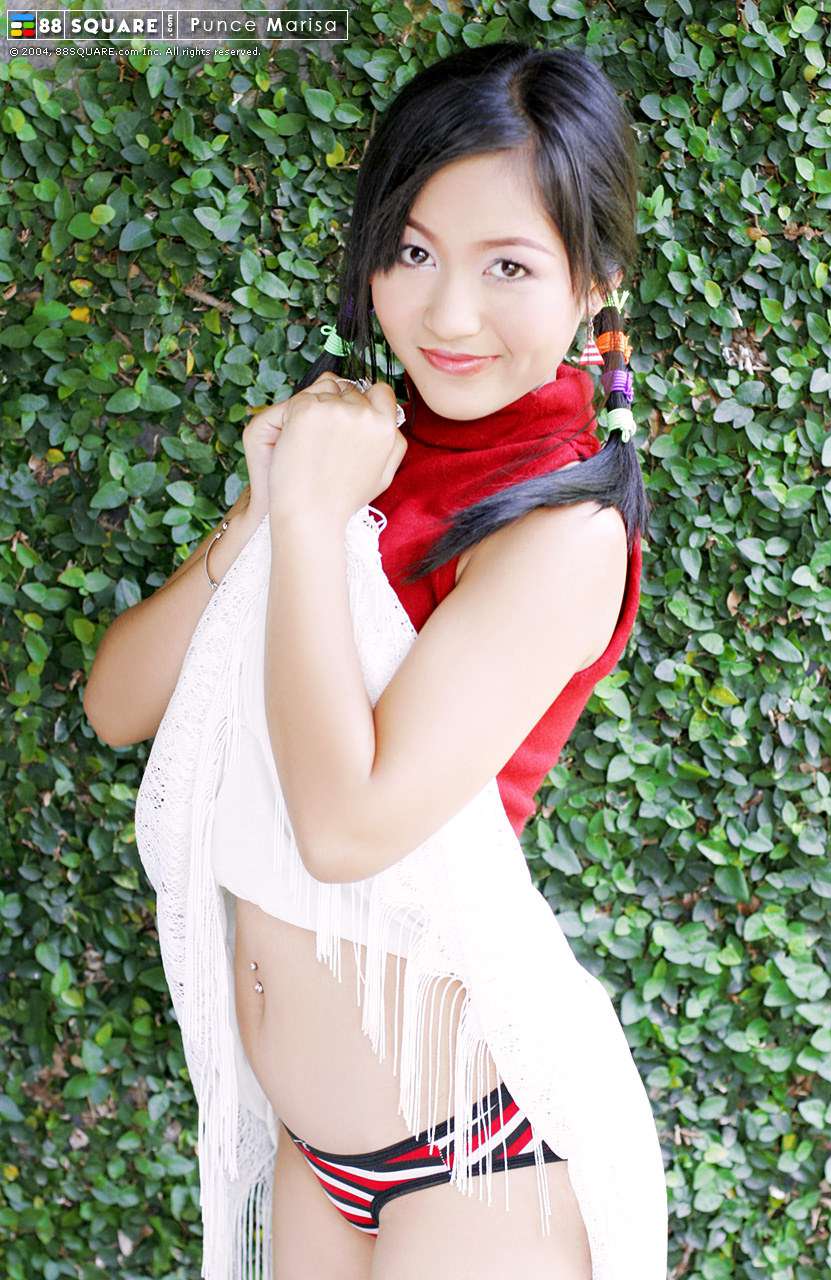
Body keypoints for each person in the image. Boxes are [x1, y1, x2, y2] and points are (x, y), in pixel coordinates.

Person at [86, 38, 668, 1280]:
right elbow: (119, 703)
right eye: (412, 251)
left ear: (593, 282)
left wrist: (307, 516)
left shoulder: (561, 529)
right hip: (324, 1157)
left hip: (489, 1158)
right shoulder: (355, 440)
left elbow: (343, 830)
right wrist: (266, 510)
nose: (446, 313)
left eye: (507, 265)